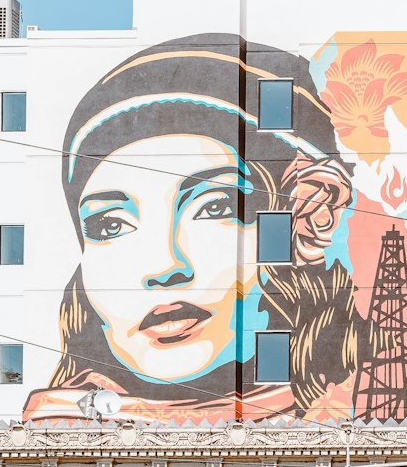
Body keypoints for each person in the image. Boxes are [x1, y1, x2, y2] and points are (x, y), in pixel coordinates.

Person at [22, 33, 373, 423]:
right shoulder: (55, 427)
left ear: (310, 213)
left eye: (216, 206)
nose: (164, 267)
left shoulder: (362, 400)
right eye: (110, 226)